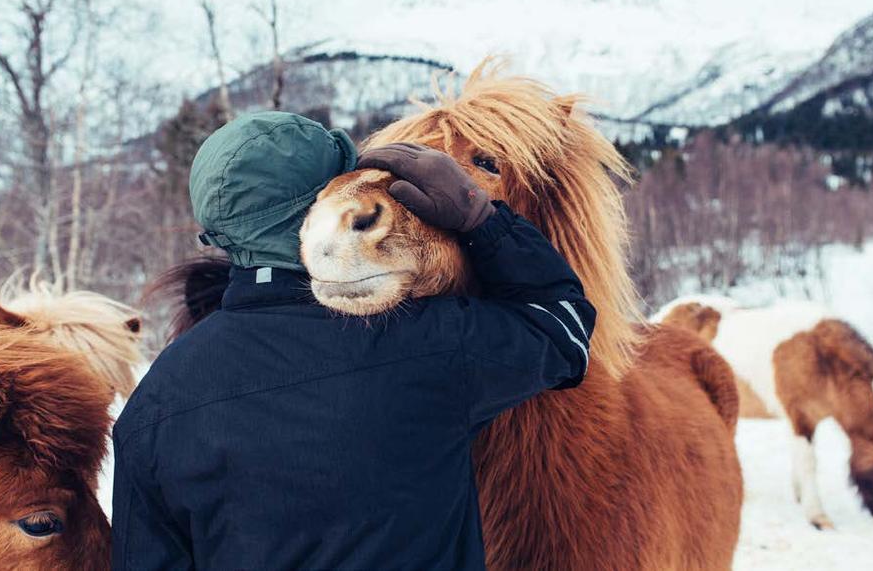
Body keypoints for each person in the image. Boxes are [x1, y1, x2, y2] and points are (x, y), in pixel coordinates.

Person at [111, 112, 595, 570]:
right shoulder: (429, 344)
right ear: (338, 198)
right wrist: (478, 218)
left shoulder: (152, 407)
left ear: (215, 234)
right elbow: (565, 328)